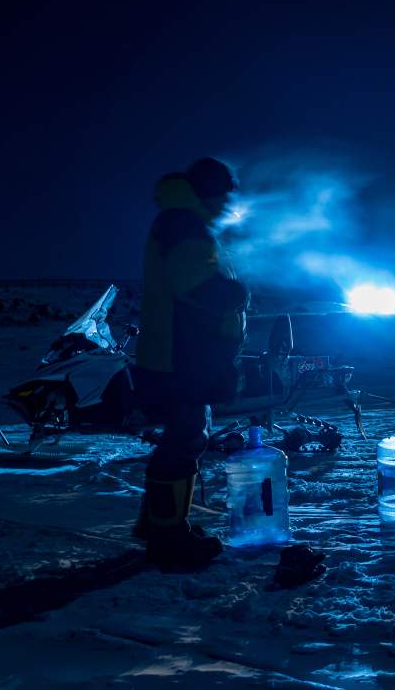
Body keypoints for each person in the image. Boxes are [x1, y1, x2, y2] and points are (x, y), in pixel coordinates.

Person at [133, 157, 249, 571]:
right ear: (211, 191)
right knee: (184, 440)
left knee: (182, 438)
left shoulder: (183, 220)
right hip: (180, 357)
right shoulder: (184, 223)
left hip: (180, 354)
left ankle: (160, 526)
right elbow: (195, 284)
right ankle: (169, 538)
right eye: (226, 195)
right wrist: (234, 293)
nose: (229, 204)